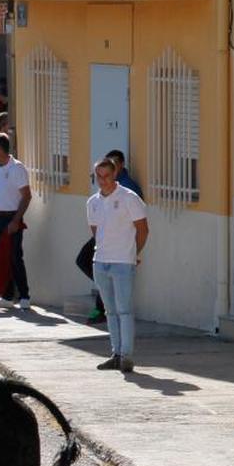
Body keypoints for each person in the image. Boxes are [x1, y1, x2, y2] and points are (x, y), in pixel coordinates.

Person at [87, 158, 149, 374]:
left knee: (124, 310)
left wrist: (133, 253)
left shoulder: (128, 198)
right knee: (110, 310)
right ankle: (116, 352)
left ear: (115, 175)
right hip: (101, 261)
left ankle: (127, 355)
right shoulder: (92, 202)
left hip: (123, 262)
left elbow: (142, 229)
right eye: (98, 176)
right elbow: (96, 231)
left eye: (106, 176)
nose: (102, 181)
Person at [0, 133, 32, 308]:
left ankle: (24, 296)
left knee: (15, 256)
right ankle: (7, 297)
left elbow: (26, 196)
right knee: (1, 257)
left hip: (12, 217)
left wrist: (16, 220)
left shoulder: (17, 168)